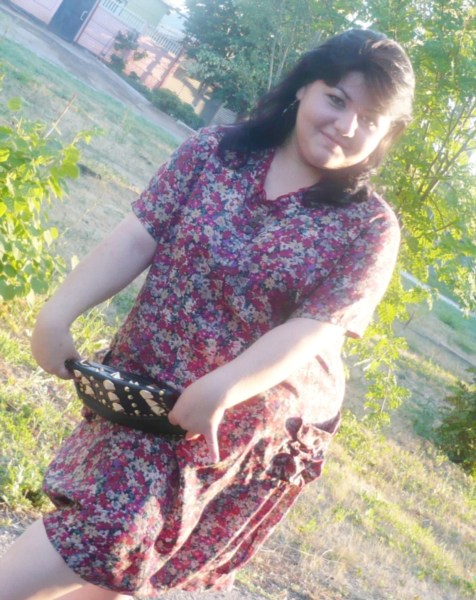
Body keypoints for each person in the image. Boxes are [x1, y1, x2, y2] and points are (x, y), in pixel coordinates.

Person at [0, 28, 415, 600]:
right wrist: (57, 313)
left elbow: (315, 330)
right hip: (149, 385)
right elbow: (137, 237)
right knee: (119, 554)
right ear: (303, 87)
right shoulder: (215, 153)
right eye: (337, 99)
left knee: (118, 544)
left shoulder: (369, 227)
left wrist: (225, 385)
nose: (346, 126)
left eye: (369, 119)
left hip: (241, 418)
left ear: (386, 134)